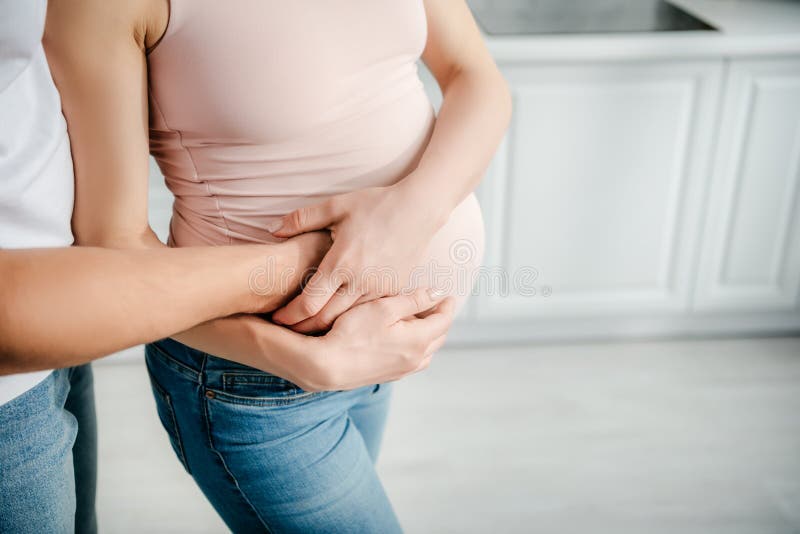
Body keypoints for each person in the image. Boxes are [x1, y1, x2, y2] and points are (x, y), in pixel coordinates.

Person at [44, 0, 511, 531]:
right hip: (253, 379)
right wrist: (298, 359)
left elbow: (476, 76)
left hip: (379, 353)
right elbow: (113, 249)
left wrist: (412, 213)